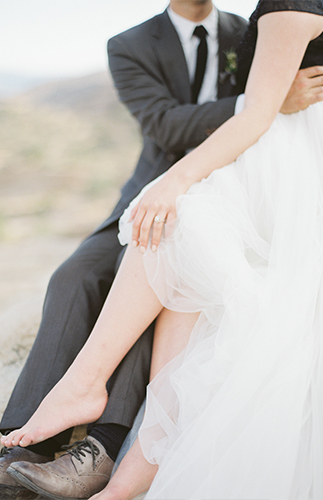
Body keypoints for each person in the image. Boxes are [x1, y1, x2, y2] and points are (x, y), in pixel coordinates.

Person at [2, 1, 323, 499]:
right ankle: (19, 443)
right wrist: (272, 99)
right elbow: (166, 124)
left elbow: (258, 112)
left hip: (244, 182)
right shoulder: (130, 43)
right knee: (76, 275)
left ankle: (102, 447)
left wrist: (264, 104)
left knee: (177, 258)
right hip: (164, 181)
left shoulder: (255, 22)